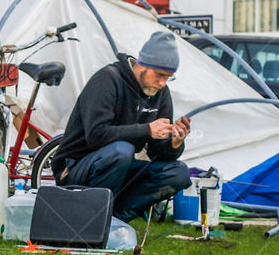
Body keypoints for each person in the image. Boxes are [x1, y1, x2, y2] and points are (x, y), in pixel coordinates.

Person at [51, 31, 192, 221]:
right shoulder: (108, 79)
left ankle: (115, 219)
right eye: (159, 75)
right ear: (143, 64)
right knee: (122, 150)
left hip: (119, 167)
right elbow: (96, 135)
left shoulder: (161, 93)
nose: (162, 83)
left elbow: (157, 153)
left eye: (168, 77)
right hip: (76, 166)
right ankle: (92, 219)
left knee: (179, 172)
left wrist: (174, 143)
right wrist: (147, 129)